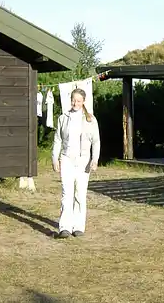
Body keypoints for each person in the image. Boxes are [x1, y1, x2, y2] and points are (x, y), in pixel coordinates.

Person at [51, 88, 101, 239]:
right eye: (73, 100)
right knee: (67, 193)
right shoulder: (63, 118)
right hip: (67, 159)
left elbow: (96, 141)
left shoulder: (90, 119)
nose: (75, 103)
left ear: (83, 101)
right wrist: (55, 158)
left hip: (83, 160)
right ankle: (64, 227)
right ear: (70, 100)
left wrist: (95, 159)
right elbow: (58, 140)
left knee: (80, 193)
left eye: (79, 101)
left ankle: (78, 226)